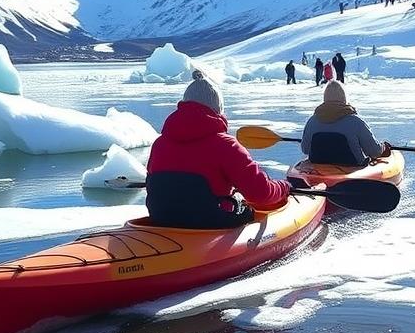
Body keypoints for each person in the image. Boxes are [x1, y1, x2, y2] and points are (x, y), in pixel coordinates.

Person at [146, 71, 290, 229]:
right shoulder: (227, 145)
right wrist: (283, 187)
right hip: (211, 225)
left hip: (162, 222)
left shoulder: (159, 144)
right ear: (218, 110)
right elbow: (261, 194)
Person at [301, 81, 391, 166]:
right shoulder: (356, 122)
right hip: (353, 169)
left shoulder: (312, 121)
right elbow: (374, 151)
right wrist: (383, 147)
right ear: (344, 97)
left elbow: (305, 149)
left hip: (319, 166)